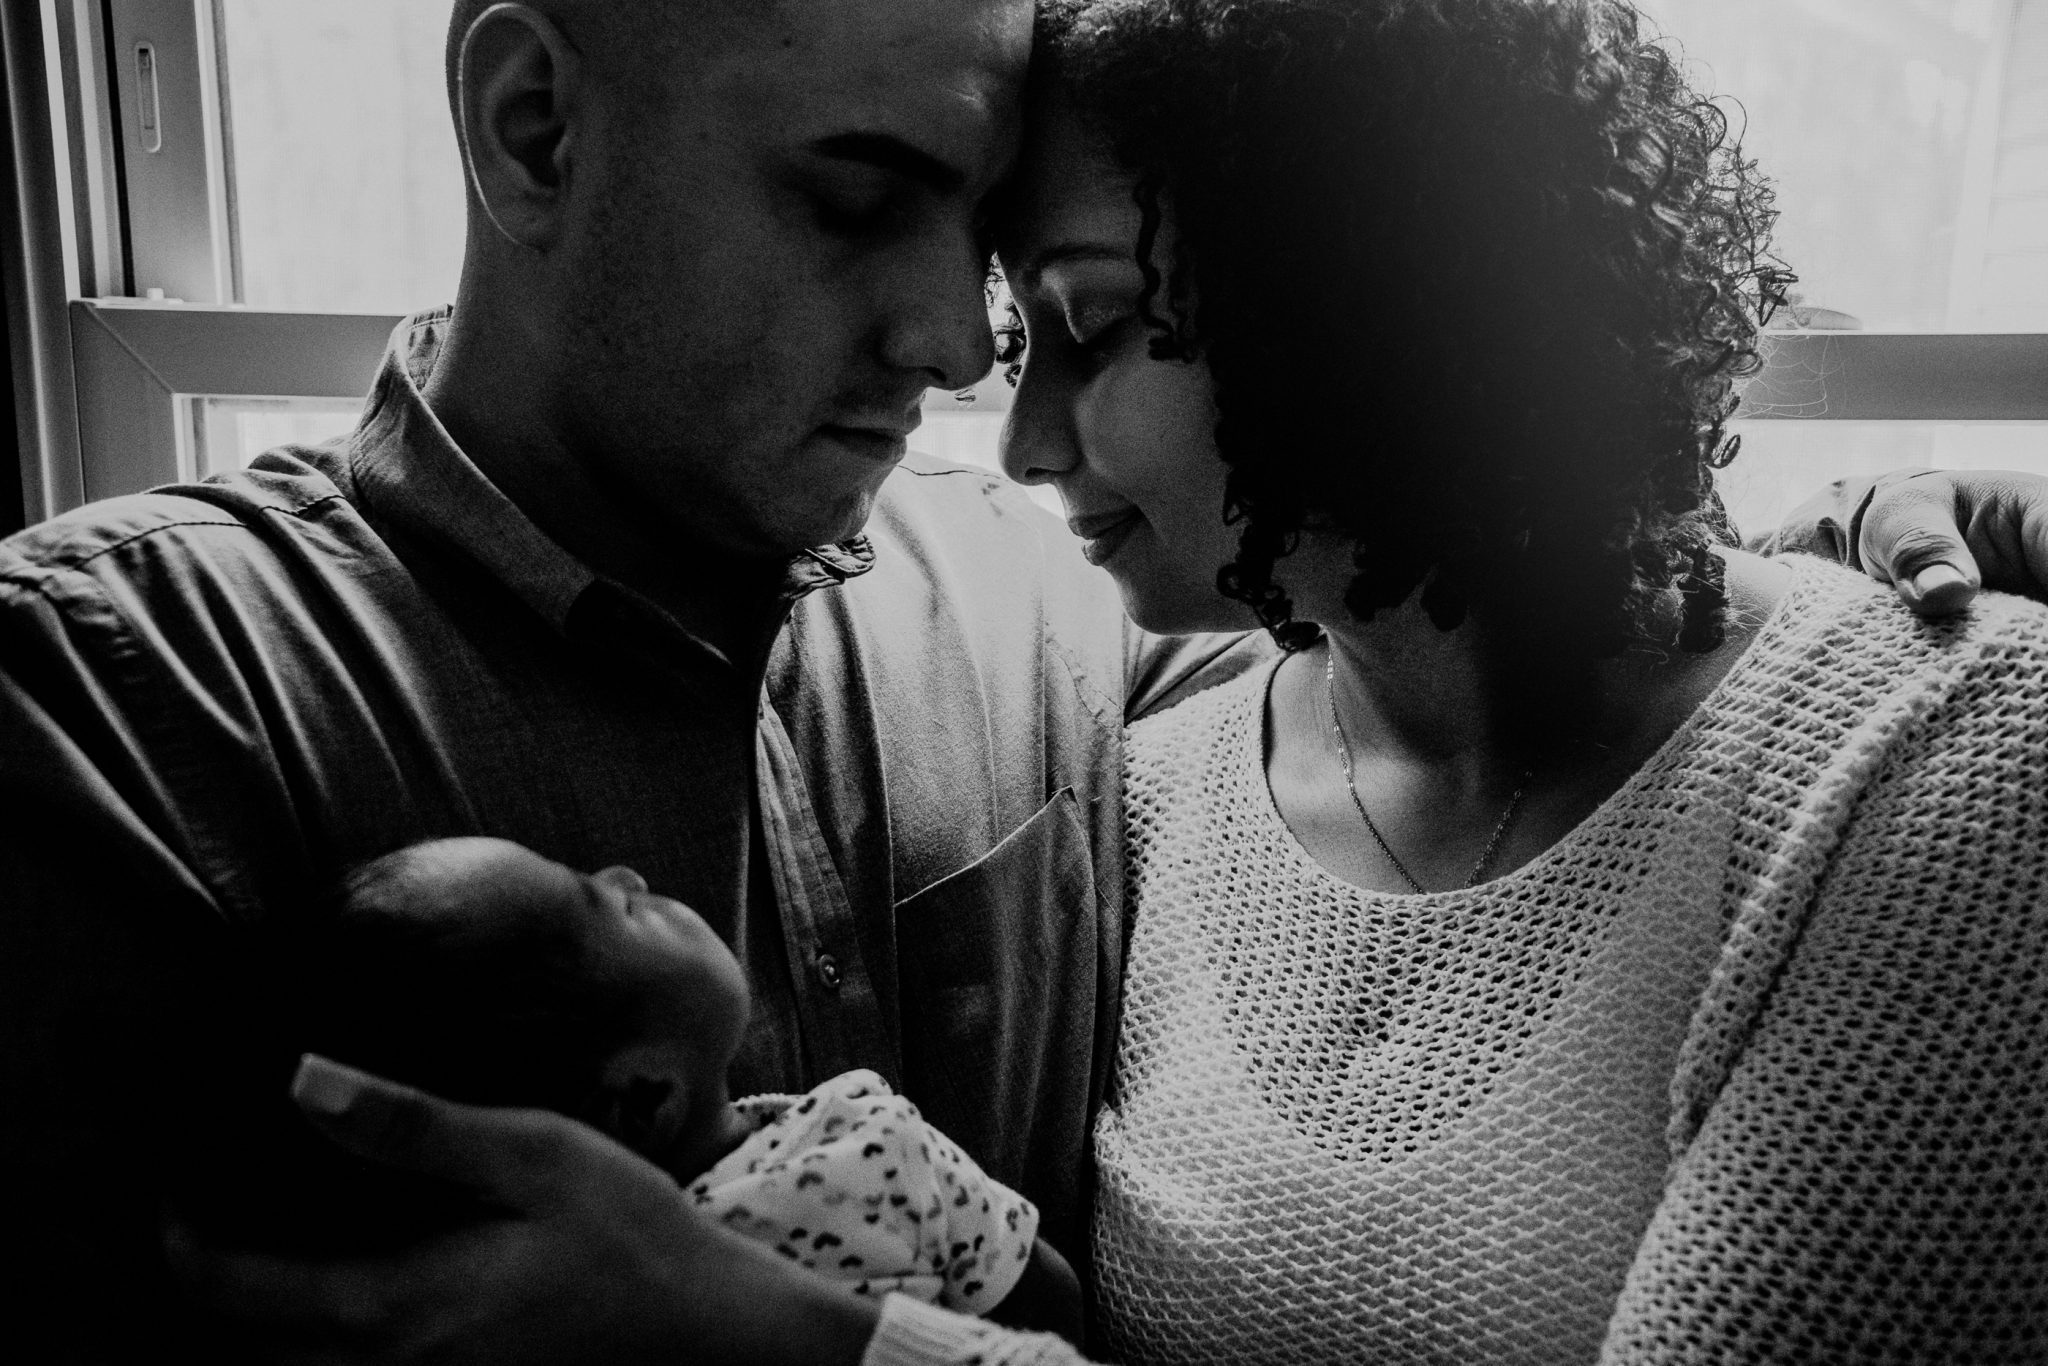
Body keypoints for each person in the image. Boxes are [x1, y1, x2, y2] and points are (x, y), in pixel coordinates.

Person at [167, 1, 2048, 1363]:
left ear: (1388, 322)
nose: (1008, 419)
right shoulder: (1150, 765)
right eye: (1012, 331)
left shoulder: (1927, 751)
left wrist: (807, 1352)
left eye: (1089, 326)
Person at [184, 836, 1058, 1323]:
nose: (629, 872)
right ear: (644, 1097)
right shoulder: (861, 1145)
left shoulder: (523, 1309)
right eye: (616, 908)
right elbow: (1049, 1298)